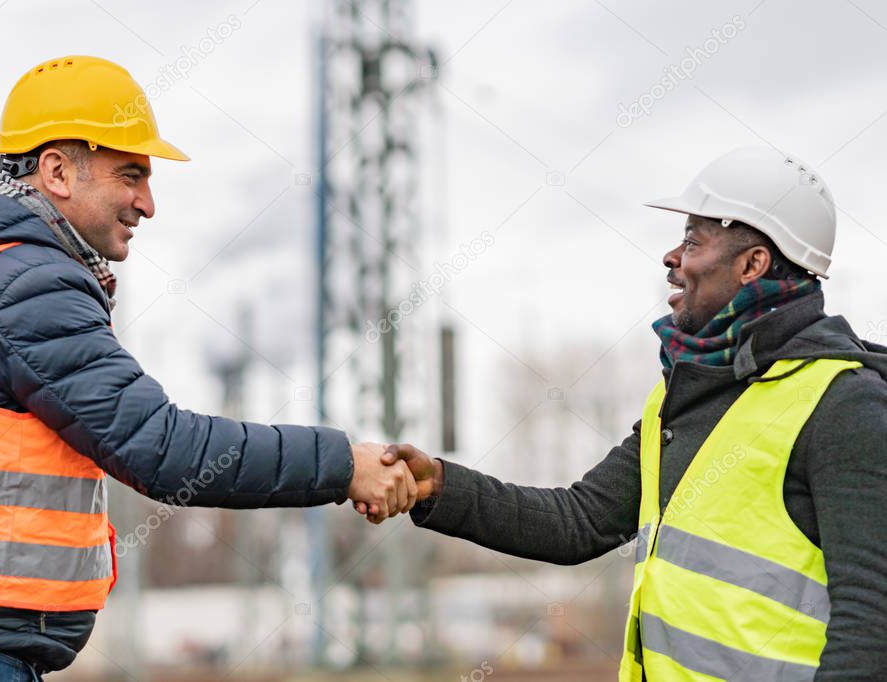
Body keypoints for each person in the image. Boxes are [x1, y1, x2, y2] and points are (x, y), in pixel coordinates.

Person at [0, 55, 416, 680]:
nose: (147, 204)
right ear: (57, 171)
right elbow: (161, 448)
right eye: (130, 174)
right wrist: (344, 465)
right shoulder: (22, 283)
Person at [375, 147, 887, 680]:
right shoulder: (681, 397)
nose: (672, 258)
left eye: (693, 241)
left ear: (752, 264)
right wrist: (439, 485)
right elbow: (581, 521)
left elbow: (871, 627)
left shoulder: (842, 404)